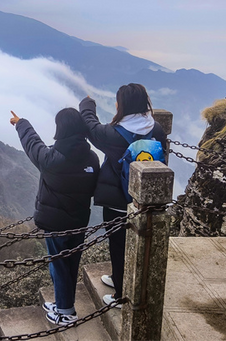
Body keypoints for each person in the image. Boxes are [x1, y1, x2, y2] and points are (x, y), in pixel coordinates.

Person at [78, 83, 168, 307]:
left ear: (123, 105)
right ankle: (120, 278)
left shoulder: (113, 134)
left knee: (118, 245)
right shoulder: (156, 129)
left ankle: (120, 294)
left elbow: (91, 126)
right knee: (136, 244)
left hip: (118, 201)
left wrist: (87, 104)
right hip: (146, 202)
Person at [10, 108, 100, 325]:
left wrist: (21, 123)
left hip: (56, 224)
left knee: (58, 264)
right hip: (79, 222)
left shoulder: (51, 159)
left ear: (60, 128)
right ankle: (63, 302)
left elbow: (33, 145)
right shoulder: (92, 158)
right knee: (71, 263)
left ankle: (66, 312)